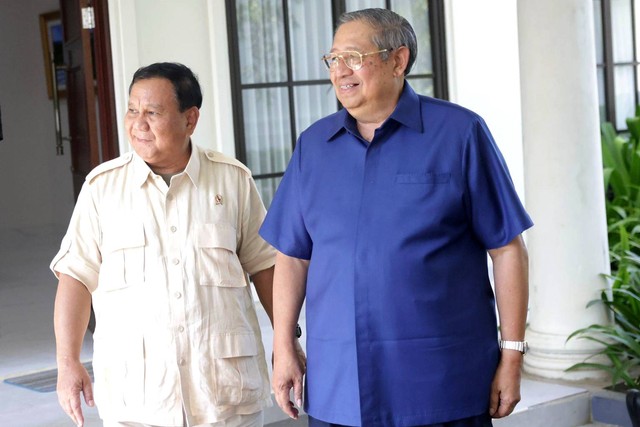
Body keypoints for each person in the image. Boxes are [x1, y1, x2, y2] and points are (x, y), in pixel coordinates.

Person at [260, 8, 533, 427]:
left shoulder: (460, 133)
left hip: (441, 385)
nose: (340, 71)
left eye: (353, 56)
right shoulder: (313, 146)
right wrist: (283, 345)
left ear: (398, 60)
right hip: (339, 389)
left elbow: (506, 248)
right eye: (333, 59)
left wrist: (512, 354)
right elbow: (293, 257)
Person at [52, 62, 281, 427]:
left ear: (190, 120)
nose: (138, 124)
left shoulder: (232, 180)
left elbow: (265, 267)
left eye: (152, 113)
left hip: (223, 397)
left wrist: (286, 344)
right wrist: (68, 363)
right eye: (132, 110)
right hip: (139, 400)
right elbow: (75, 277)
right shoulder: (102, 188)